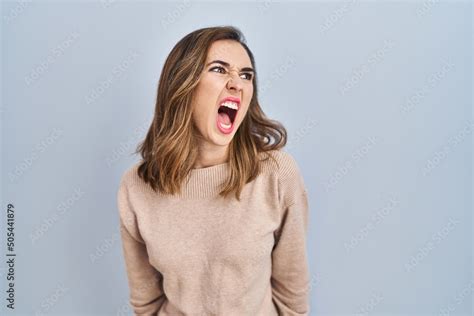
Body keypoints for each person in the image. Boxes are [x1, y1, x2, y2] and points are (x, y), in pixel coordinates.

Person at [117, 25, 310, 316]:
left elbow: (292, 299)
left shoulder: (276, 174)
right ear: (183, 84)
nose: (237, 83)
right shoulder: (136, 187)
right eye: (220, 70)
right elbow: (146, 304)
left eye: (246, 75)